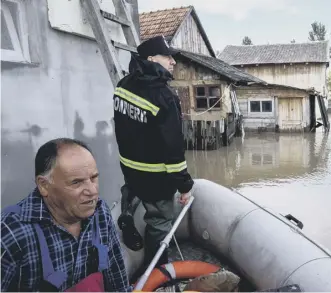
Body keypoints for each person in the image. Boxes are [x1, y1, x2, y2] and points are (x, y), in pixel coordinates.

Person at [0, 138, 131, 292]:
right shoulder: (11, 232)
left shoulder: (100, 214)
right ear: (44, 185)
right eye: (77, 182)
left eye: (93, 178)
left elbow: (119, 287)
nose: (93, 191)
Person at [113, 35, 194, 268]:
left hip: (129, 167)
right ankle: (157, 268)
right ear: (151, 59)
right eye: (167, 56)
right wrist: (184, 186)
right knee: (159, 222)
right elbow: (173, 149)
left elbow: (123, 127)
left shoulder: (123, 85)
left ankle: (127, 211)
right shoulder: (164, 96)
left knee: (134, 189)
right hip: (157, 177)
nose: (173, 62)